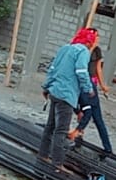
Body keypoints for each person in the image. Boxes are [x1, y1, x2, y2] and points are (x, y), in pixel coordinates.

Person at [36, 28, 95, 172]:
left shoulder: (65, 48)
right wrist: (88, 88)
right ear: (88, 43)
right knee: (61, 130)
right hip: (67, 95)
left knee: (50, 126)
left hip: (55, 92)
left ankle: (43, 154)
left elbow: (53, 68)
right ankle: (57, 163)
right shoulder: (83, 52)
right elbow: (81, 71)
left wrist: (46, 87)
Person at [68, 27, 113, 157]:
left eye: (97, 36)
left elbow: (98, 68)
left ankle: (107, 147)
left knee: (95, 116)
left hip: (91, 84)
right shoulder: (83, 49)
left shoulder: (97, 51)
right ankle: (78, 137)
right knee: (84, 112)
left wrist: (103, 85)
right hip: (82, 83)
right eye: (95, 36)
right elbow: (81, 63)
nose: (97, 39)